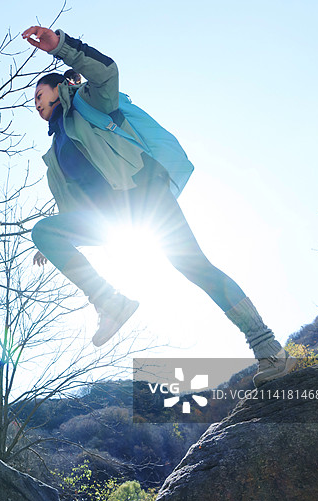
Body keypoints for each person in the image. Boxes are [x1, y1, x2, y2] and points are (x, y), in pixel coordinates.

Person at [21, 25, 294, 386]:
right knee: (42, 230)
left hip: (144, 197)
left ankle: (268, 348)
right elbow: (75, 205)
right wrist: (53, 243)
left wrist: (62, 46)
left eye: (39, 93)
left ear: (59, 88)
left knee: (193, 266)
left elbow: (108, 71)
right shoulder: (54, 152)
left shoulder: (88, 102)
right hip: (110, 219)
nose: (35, 102)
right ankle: (111, 303)